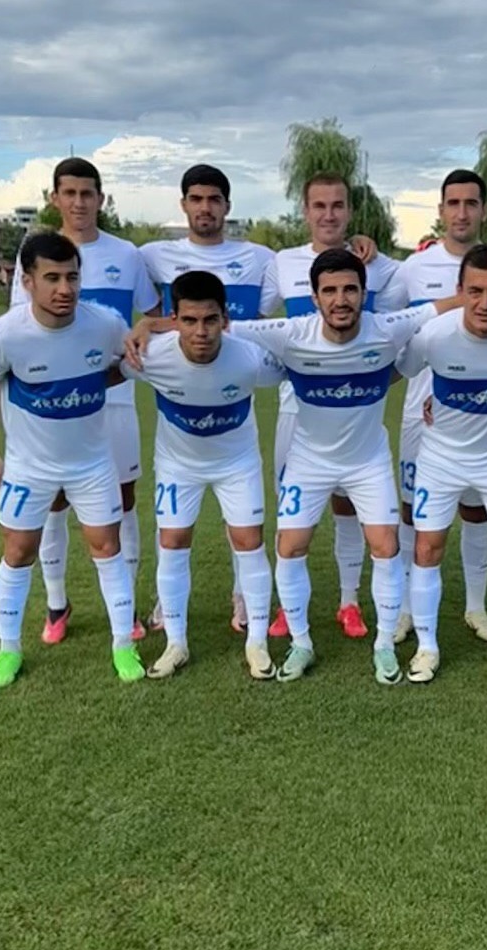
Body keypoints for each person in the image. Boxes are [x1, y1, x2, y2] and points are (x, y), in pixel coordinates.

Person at [0, 232, 144, 688]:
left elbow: (124, 360)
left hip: (92, 464)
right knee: (17, 551)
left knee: (107, 548)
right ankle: (8, 650)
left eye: (72, 277)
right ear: (27, 281)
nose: (65, 288)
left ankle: (123, 645)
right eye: (52, 278)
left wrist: (105, 370)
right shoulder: (4, 333)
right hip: (28, 467)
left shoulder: (103, 323)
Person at [10, 158, 159, 645]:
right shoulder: (33, 254)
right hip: (55, 406)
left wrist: (143, 331)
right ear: (54, 197)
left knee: (123, 500)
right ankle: (57, 603)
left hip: (114, 398)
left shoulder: (126, 254)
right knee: (53, 501)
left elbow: (154, 314)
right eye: (69, 193)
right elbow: (20, 330)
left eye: (87, 193)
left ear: (101, 198)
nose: (79, 202)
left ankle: (126, 605)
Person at [391, 169, 487, 646]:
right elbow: (395, 326)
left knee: (477, 513)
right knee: (414, 514)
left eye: (470, 203)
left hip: (484, 419)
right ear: (440, 210)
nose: (461, 212)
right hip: (423, 415)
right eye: (452, 203)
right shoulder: (413, 267)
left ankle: (476, 606)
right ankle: (408, 609)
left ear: (484, 210)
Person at [259, 172, 404, 640]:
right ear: (305, 211)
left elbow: (399, 327)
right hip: (296, 409)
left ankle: (348, 600)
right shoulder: (282, 262)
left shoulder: (378, 266)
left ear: (349, 210)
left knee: (348, 506)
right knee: (292, 514)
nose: (328, 214)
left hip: (355, 411)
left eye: (337, 205)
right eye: (319, 205)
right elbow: (255, 319)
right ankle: (288, 608)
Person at [119, 270, 283, 681]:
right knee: (173, 540)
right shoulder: (150, 356)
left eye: (210, 320)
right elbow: (103, 371)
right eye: (189, 321)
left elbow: (301, 365)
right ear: (174, 320)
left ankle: (257, 642)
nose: (201, 331)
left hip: (237, 464)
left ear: (225, 319)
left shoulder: (251, 358)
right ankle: (176, 642)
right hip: (178, 466)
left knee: (249, 541)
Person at [139, 165, 277, 636]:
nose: (205, 208)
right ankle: (167, 603)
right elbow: (159, 312)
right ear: (183, 204)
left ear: (227, 206)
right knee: (173, 529)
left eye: (214, 199)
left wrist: (360, 244)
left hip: (234, 388)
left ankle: (244, 597)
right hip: (182, 399)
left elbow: (314, 268)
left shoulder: (260, 257)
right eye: (196, 199)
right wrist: (151, 325)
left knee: (244, 528)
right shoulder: (153, 255)